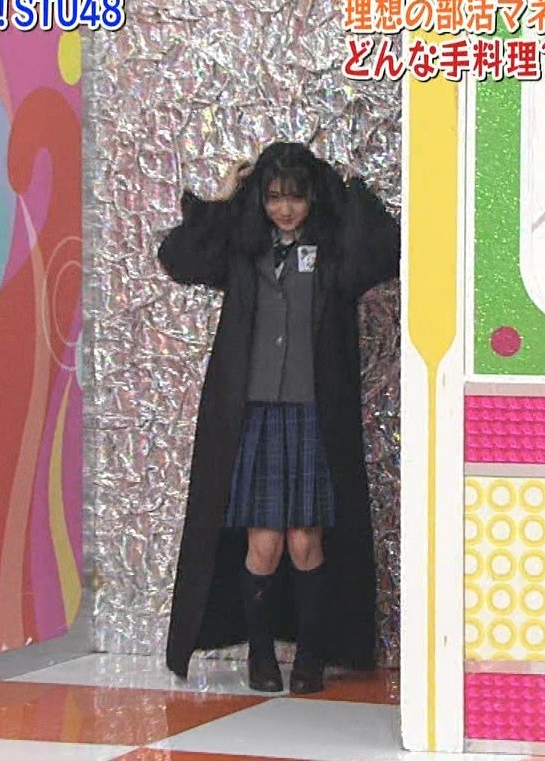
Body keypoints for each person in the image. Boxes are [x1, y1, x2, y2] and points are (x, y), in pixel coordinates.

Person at [156, 141, 400, 694]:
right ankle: (261, 654)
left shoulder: (334, 252)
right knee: (263, 544)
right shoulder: (244, 251)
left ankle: (311, 656)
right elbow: (179, 257)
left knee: (304, 541)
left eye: (295, 197)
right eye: (273, 198)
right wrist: (225, 197)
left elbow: (386, 250)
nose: (285, 209)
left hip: (314, 415)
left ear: (312, 198)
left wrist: (346, 188)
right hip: (256, 416)